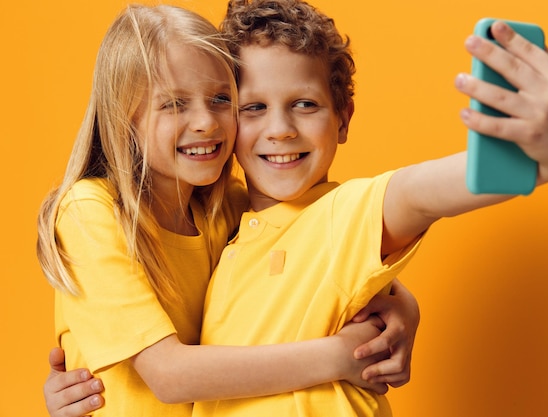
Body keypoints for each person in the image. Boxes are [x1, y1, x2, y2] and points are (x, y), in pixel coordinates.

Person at [187, 0, 548, 416]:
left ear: (343, 120)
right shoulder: (214, 222)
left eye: (305, 104)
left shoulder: (348, 213)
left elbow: (421, 191)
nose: (280, 130)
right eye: (254, 108)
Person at [37, 4, 420, 417]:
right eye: (174, 104)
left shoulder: (226, 210)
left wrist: (403, 309)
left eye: (221, 98)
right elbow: (169, 376)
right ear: (122, 117)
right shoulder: (90, 212)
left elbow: (325, 250)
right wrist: (339, 357)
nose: (205, 122)